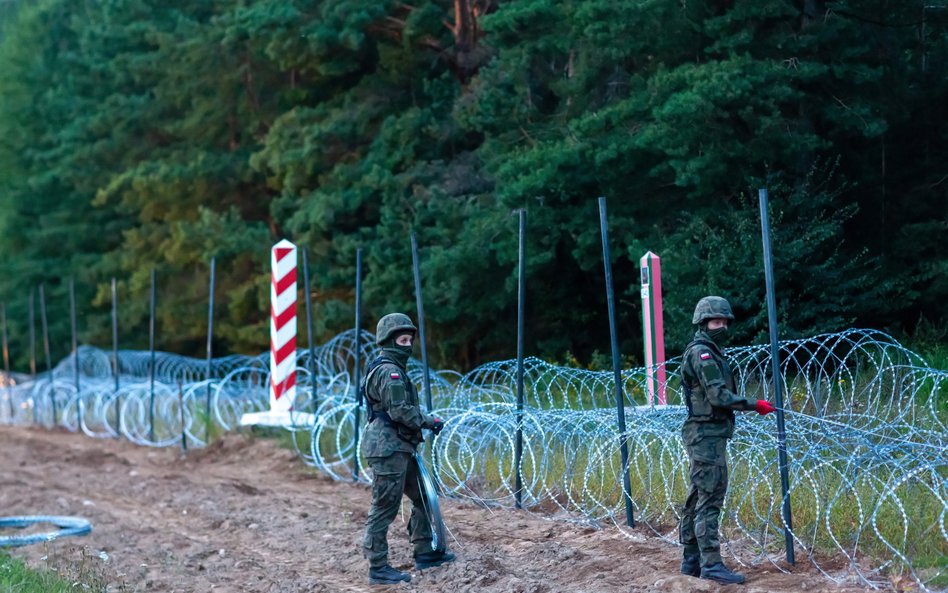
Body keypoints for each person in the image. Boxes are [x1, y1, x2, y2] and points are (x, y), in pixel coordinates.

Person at [678, 296, 776, 584]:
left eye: (724, 321)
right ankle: (710, 564)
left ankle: (691, 561)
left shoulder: (711, 351)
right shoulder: (702, 354)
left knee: (697, 497)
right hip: (705, 433)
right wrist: (753, 404)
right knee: (709, 498)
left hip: (707, 433)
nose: (720, 326)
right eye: (715, 321)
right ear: (703, 322)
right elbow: (718, 395)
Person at [361, 312, 454, 585]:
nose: (408, 346)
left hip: (399, 446)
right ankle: (378, 568)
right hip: (387, 449)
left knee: (425, 496)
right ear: (389, 341)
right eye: (402, 340)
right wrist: (428, 421)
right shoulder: (388, 373)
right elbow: (400, 410)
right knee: (384, 508)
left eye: (409, 339)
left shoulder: (392, 369)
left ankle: (425, 552)